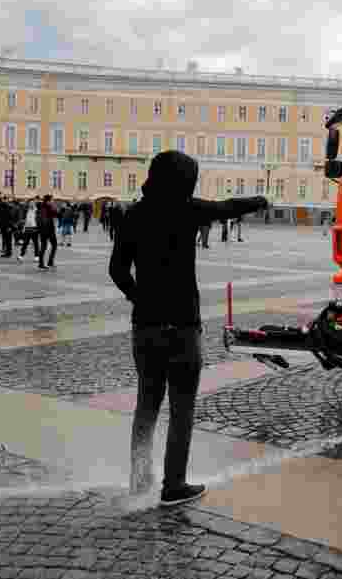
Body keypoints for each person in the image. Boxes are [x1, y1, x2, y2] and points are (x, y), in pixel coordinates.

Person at [109, 150, 269, 506]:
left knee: (146, 405)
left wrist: (139, 298)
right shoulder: (187, 208)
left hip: (146, 327)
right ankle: (174, 485)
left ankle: (139, 481)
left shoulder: (133, 214)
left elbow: (118, 271)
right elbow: (227, 207)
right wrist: (260, 198)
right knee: (182, 408)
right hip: (182, 327)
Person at [37, 195, 58, 269]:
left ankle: (41, 263)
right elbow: (56, 214)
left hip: (42, 230)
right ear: (48, 201)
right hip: (49, 230)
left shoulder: (41, 207)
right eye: (52, 200)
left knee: (43, 246)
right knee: (54, 245)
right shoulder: (49, 207)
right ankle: (49, 262)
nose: (53, 201)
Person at [17, 200, 41, 264]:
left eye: (33, 203)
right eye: (30, 203)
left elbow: (39, 220)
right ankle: (21, 255)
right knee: (25, 243)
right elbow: (25, 220)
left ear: (34, 204)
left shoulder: (37, 211)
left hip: (34, 228)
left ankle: (37, 256)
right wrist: (23, 228)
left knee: (35, 243)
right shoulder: (27, 211)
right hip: (27, 228)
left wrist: (39, 228)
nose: (31, 204)